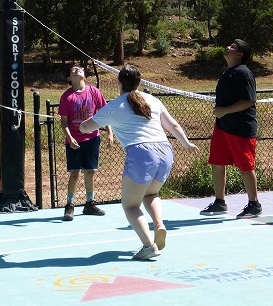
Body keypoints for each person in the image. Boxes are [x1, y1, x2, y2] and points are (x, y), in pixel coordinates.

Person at [80, 64, 197, 259]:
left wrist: (83, 122)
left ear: (119, 82)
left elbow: (85, 128)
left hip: (142, 153)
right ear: (139, 81)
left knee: (130, 205)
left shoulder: (114, 106)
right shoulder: (152, 100)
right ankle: (159, 225)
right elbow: (173, 125)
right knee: (151, 193)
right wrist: (186, 144)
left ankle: (148, 246)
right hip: (165, 151)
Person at [200, 39, 263, 219]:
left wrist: (225, 110)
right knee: (217, 162)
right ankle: (220, 202)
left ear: (239, 55)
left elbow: (249, 101)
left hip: (241, 129)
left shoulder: (244, 73)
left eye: (233, 47)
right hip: (223, 127)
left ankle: (254, 205)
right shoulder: (228, 72)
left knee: (245, 166)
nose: (228, 47)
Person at [58, 64, 114, 221]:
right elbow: (64, 122)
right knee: (74, 173)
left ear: (84, 76)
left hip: (92, 138)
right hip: (74, 140)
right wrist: (70, 138)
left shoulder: (94, 92)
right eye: (73, 69)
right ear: (69, 78)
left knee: (90, 172)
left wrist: (110, 131)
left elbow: (104, 114)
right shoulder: (66, 97)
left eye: (80, 69)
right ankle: (69, 205)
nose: (77, 69)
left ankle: (89, 204)